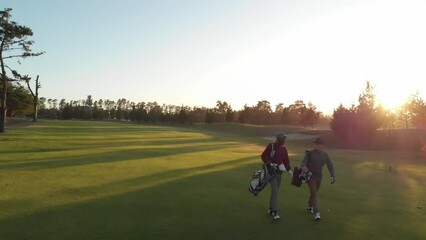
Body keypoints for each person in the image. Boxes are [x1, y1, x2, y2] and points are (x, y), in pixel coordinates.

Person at [301, 137, 335, 221]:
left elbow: (330, 165)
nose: (315, 145)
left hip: (319, 176)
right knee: (314, 193)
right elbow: (304, 161)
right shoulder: (310, 153)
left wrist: (332, 175)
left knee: (314, 193)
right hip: (310, 175)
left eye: (317, 144)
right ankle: (317, 213)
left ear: (322, 145)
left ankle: (310, 205)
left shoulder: (325, 155)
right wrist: (304, 166)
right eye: (315, 144)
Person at [260, 132, 293, 220]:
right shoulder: (271, 146)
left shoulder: (284, 149)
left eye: (284, 139)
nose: (284, 141)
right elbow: (263, 156)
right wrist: (268, 162)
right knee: (275, 190)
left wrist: (290, 170)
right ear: (278, 140)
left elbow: (286, 161)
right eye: (283, 139)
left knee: (275, 191)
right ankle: (275, 211)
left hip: (279, 173)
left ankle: (271, 209)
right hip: (271, 173)